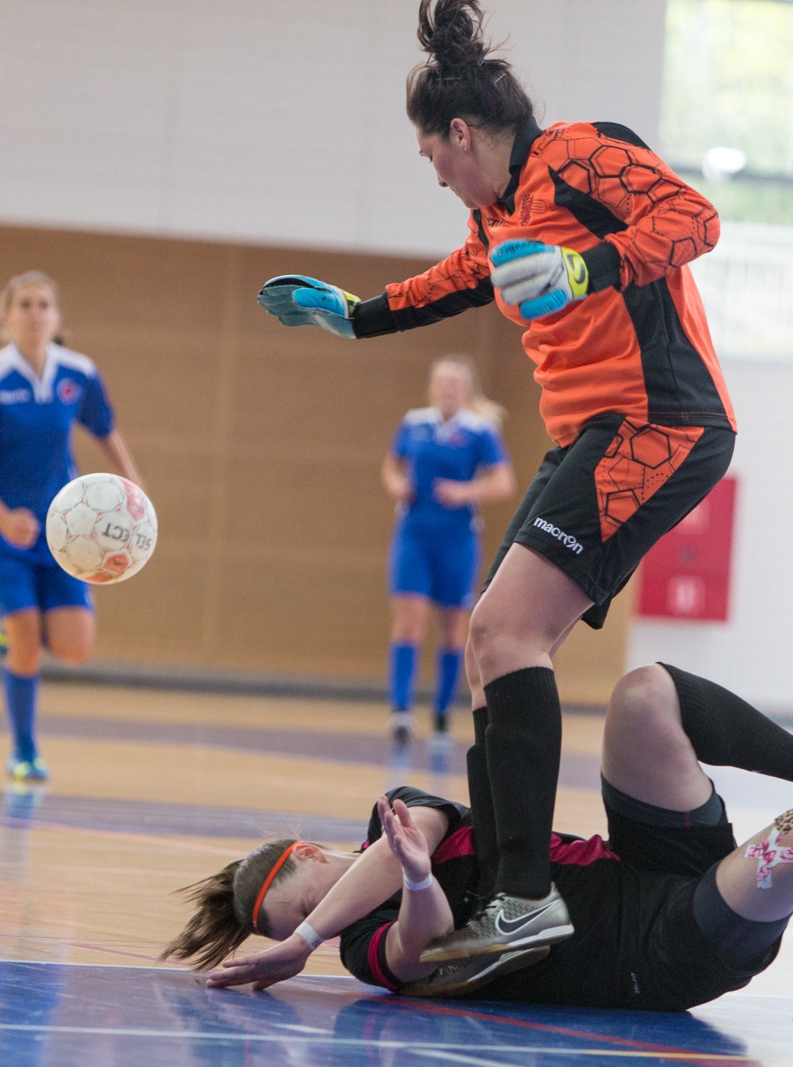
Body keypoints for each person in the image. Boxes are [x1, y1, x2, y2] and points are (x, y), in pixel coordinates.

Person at [256, 0, 754, 959]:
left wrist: (584, 267)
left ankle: (525, 892)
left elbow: (695, 217)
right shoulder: (496, 217)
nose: (433, 171)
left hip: (661, 419)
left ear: (460, 131)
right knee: (498, 651)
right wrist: (353, 316)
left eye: (431, 154)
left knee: (499, 629)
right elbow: (450, 282)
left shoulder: (573, 154)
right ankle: (504, 879)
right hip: (588, 439)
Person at [162, 666, 793, 1009]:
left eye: (306, 889)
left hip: (645, 862)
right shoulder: (364, 945)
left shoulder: (394, 825)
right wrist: (336, 928)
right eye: (298, 914)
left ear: (316, 857)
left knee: (644, 695)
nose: (312, 910)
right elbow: (417, 943)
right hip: (660, 950)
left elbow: (434, 821)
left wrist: (358, 886)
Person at [0, 271, 144, 783]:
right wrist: (2, 518)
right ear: (7, 316)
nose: (35, 313)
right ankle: (24, 750)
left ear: (56, 317)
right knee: (27, 638)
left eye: (44, 305)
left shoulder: (77, 373)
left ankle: (7, 631)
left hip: (64, 531)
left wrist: (134, 492)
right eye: (25, 305)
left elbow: (106, 432)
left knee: (75, 648)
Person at [382, 356, 515, 743]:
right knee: (408, 620)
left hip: (457, 540)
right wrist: (395, 484)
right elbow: (391, 466)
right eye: (442, 381)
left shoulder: (479, 431)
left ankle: (441, 711)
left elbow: (503, 482)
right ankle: (401, 710)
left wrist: (466, 492)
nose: (448, 388)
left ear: (467, 390)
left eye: (456, 382)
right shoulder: (414, 423)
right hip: (413, 535)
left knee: (454, 628)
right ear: (431, 387)